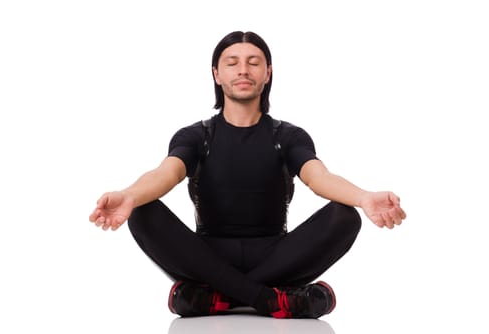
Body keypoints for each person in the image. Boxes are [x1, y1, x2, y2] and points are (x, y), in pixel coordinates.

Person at [89, 31, 406, 319]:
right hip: (207, 256)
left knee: (345, 216)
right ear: (216, 73)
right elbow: (165, 173)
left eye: (254, 62)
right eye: (232, 63)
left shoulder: (289, 136)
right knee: (142, 211)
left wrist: (364, 198)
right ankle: (271, 299)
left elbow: (320, 178)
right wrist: (130, 195)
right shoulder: (196, 136)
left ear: (267, 73)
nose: (243, 70)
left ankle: (211, 298)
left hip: (276, 256)